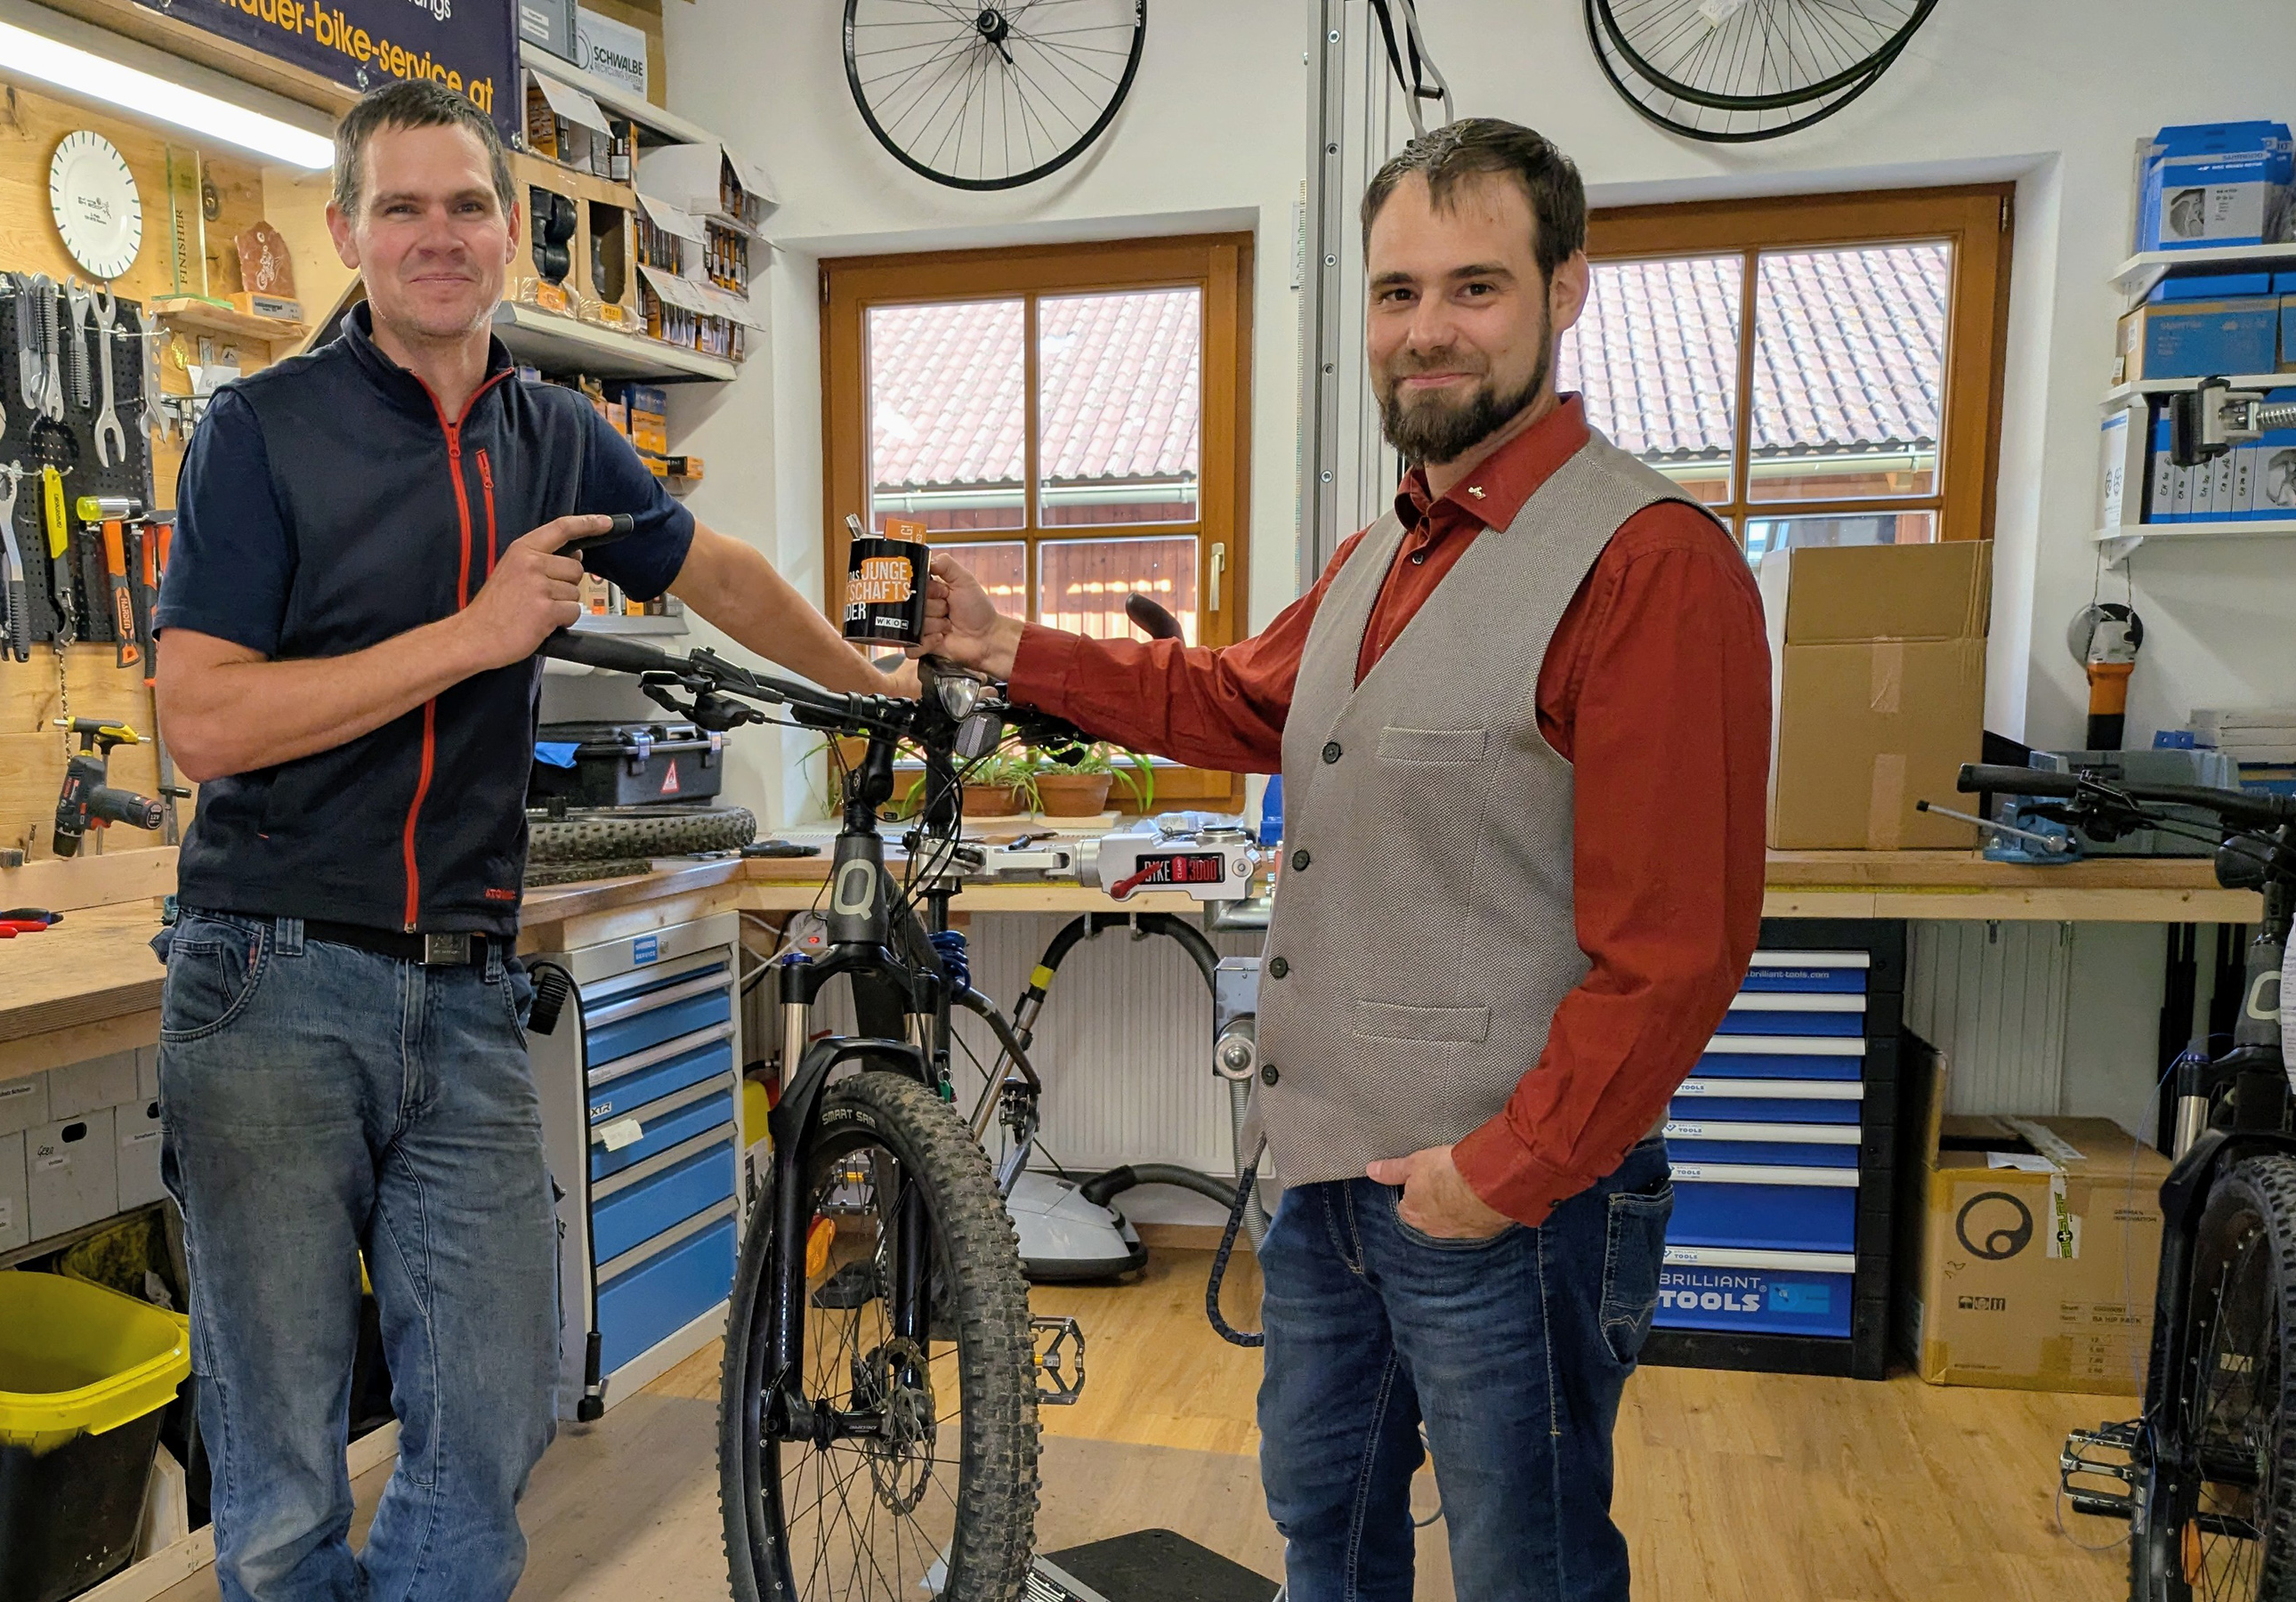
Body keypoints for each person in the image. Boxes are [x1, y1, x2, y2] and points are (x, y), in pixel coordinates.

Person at [923, 118, 1770, 1602]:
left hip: (1508, 1199)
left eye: (1474, 289)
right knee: (1326, 1518)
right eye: (1395, 294)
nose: (1426, 332)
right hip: (1328, 1178)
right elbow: (1242, 700)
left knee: (1534, 1564)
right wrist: (1007, 647)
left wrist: (1503, 1176)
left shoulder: (1650, 565)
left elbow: (1678, 950)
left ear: (1568, 291)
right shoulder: (1385, 553)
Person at [150, 79, 897, 1602]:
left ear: (511, 235)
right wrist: (476, 634)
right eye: (405, 207)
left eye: (470, 205)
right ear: (350, 231)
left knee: (500, 1403)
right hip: (272, 984)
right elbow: (205, 721)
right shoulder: (260, 433)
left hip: (470, 985)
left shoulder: (553, 434)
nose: (440, 236)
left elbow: (719, 573)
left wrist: (872, 689)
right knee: (284, 1451)